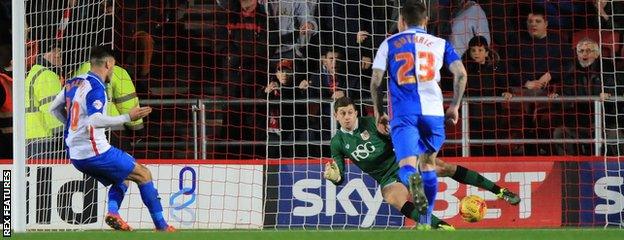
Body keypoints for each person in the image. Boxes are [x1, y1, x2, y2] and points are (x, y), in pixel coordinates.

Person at [324, 97, 520, 230]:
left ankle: (500, 191)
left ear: (356, 113)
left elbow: (401, 137)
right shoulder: (337, 143)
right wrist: (334, 177)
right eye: (342, 113)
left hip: (402, 161)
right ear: (335, 116)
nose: (347, 117)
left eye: (350, 112)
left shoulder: (374, 124)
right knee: (394, 199)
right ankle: (441, 226)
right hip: (386, 177)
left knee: (444, 167)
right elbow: (339, 173)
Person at [49, 46, 175, 232]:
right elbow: (95, 120)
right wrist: (127, 117)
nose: (113, 71)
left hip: (75, 154)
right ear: (108, 63)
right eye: (114, 66)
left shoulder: (73, 82)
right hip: (95, 151)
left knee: (123, 178)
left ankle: (113, 213)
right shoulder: (97, 87)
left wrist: (72, 128)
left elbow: (54, 108)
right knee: (143, 174)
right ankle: (162, 227)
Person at [370, 0, 467, 229]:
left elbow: (375, 82)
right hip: (433, 113)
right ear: (426, 21)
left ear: (401, 21)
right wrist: (454, 106)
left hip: (404, 113)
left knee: (407, 166)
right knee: (429, 164)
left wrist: (379, 112)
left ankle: (411, 181)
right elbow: (461, 74)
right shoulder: (441, 43)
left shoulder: (389, 43)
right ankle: (425, 221)